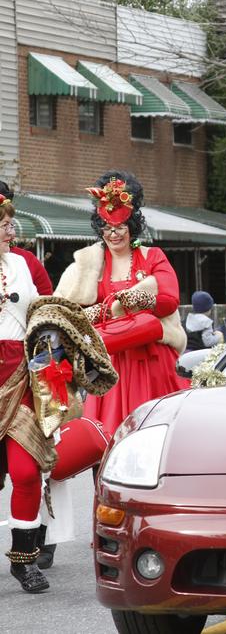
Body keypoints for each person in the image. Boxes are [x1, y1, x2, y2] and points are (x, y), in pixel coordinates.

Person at [54, 171, 186, 436]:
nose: (113, 234)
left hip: (150, 360)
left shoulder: (153, 257)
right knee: (106, 440)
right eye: (107, 228)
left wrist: (142, 299)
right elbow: (64, 311)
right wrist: (96, 312)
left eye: (120, 228)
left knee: (154, 434)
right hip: (110, 359)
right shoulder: (88, 264)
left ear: (132, 227)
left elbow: (169, 302)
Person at [0, 192, 48, 592]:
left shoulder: (23, 264)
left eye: (10, 223)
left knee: (26, 471)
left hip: (20, 374)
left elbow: (46, 312)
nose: (10, 229)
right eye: (4, 224)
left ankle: (25, 561)